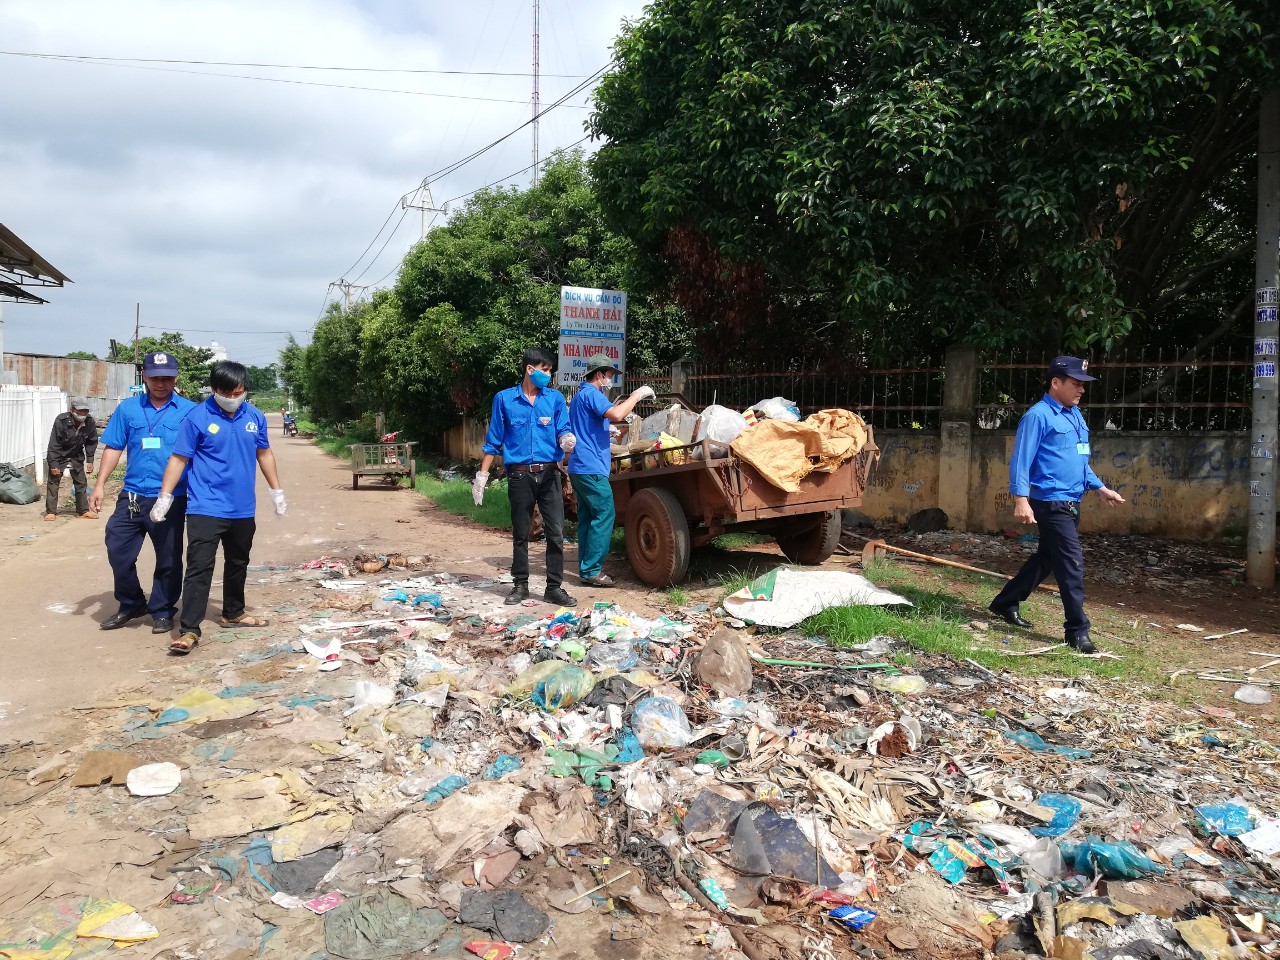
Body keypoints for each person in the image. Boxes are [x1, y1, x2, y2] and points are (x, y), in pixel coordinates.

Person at [989, 356, 1126, 654]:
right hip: (1049, 502)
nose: (1081, 390)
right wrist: (1021, 500)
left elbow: (1079, 461)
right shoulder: (1038, 417)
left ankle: (1005, 602)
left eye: (1083, 384)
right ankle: (1077, 631)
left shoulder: (1074, 416)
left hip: (1072, 501)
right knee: (1071, 563)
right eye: (1076, 384)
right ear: (1056, 382)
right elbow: (1020, 461)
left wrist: (1100, 487)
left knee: (1047, 559)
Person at [151, 361, 287, 655]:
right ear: (215, 390)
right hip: (206, 507)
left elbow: (263, 452)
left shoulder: (254, 416)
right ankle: (189, 630)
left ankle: (233, 612)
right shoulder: (196, 418)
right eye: (227, 392)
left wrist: (276, 489)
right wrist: (165, 496)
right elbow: (179, 459)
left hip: (242, 508)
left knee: (238, 562)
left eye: (239, 391)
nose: (233, 397)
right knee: (200, 567)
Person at [89, 352, 198, 634]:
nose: (161, 383)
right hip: (133, 496)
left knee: (169, 557)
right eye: (155, 377)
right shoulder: (128, 409)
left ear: (175, 378)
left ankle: (162, 610)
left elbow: (201, 453)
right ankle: (131, 602)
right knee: (118, 550)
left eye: (167, 378)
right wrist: (99, 485)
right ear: (145, 377)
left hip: (171, 497)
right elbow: (114, 447)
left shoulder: (190, 411)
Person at [474, 347, 577, 607]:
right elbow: (493, 440)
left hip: (550, 474)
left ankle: (554, 588)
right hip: (520, 476)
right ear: (530, 370)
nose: (549, 375)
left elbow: (563, 429)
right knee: (521, 533)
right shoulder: (504, 399)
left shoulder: (554, 399)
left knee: (555, 533)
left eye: (550, 370)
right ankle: (520, 585)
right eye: (545, 370)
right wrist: (482, 476)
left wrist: (566, 439)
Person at [566, 354, 654, 586]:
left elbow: (588, 427)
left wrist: (608, 430)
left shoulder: (579, 396)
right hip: (591, 467)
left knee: (587, 518)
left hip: (579, 466)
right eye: (610, 375)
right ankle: (593, 570)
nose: (611, 380)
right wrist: (636, 395)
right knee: (605, 515)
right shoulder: (592, 394)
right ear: (599, 375)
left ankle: (586, 568)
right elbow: (617, 414)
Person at [44, 397, 98, 521]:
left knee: (81, 483)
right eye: (80, 411)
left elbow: (92, 441)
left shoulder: (89, 421)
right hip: (60, 454)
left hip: (76, 455)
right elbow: (54, 443)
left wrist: (90, 460)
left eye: (85, 411)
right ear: (72, 410)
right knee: (53, 482)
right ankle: (51, 511)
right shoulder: (61, 420)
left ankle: (83, 510)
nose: (83, 414)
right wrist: (54, 464)